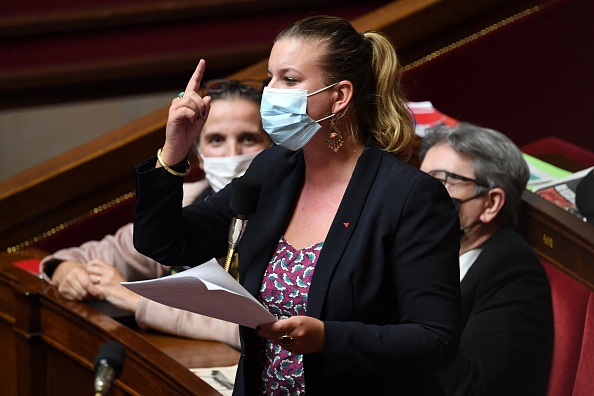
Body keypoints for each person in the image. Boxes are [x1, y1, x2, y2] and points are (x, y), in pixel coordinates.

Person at [133, 15, 462, 395]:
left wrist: (328, 338)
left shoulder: (409, 197)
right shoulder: (273, 170)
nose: (270, 92)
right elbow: (166, 243)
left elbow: (435, 341)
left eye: (288, 80)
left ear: (340, 96)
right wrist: (174, 152)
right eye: (269, 78)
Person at [38, 79, 271, 349]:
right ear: (199, 153)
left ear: (272, 148)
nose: (232, 154)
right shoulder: (184, 202)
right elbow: (73, 258)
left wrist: (140, 303)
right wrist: (67, 272)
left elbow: (266, 329)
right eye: (216, 140)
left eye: (248, 139)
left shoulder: (294, 213)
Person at [419, 122, 554, 395]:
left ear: (491, 203)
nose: (420, 195)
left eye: (443, 181)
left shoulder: (514, 274)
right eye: (421, 180)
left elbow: (469, 384)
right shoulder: (418, 246)